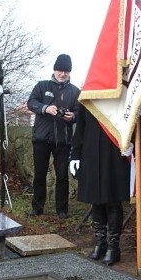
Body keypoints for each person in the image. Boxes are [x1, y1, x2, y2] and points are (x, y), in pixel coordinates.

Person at [69, 108, 131, 266]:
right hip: (90, 153)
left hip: (114, 153)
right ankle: (100, 243)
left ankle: (113, 247)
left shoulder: (119, 94)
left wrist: (130, 141)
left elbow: (130, 120)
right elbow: (80, 128)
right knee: (95, 200)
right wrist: (75, 154)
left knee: (112, 200)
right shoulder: (87, 96)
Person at [27, 54, 81, 218]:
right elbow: (31, 102)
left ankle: (62, 210)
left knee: (62, 176)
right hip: (41, 139)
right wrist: (45, 108)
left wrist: (72, 117)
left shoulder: (75, 91)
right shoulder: (42, 86)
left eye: (66, 71)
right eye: (60, 70)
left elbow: (81, 113)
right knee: (39, 175)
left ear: (70, 72)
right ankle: (37, 208)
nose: (62, 74)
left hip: (63, 141)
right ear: (54, 70)